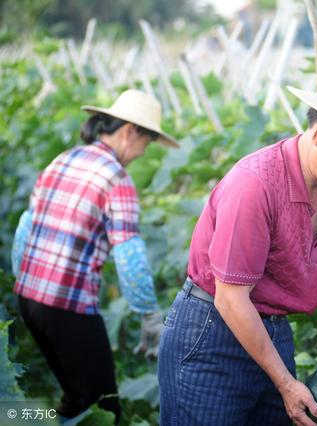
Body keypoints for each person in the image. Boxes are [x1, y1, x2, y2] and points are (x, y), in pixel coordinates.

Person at [158, 70, 317, 426]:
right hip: (213, 334)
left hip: (272, 333)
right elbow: (231, 298)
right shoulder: (255, 185)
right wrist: (285, 382)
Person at [11, 89, 178, 423]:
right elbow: (130, 256)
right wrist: (148, 316)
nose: (141, 153)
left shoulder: (63, 159)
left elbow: (24, 229)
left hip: (30, 299)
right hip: (68, 308)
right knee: (105, 408)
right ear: (130, 132)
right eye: (146, 143)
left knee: (77, 398)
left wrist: (27, 283)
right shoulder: (116, 178)